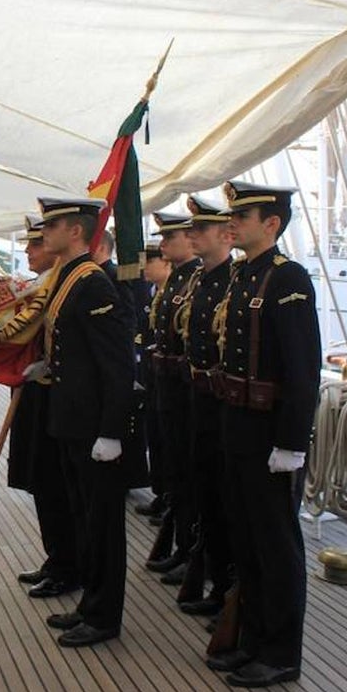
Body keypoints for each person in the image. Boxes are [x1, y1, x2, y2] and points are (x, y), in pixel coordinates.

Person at [207, 181, 320, 687]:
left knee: (276, 546)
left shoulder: (287, 278)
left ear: (272, 224)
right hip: (237, 425)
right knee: (246, 541)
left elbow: (302, 369)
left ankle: (280, 652)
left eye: (244, 216)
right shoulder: (241, 274)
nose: (233, 223)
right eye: (233, 214)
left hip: (270, 431)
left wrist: (292, 445)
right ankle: (250, 639)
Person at [36, 197, 134, 648]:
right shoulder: (69, 278)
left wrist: (111, 431)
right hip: (72, 421)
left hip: (95, 426)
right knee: (84, 518)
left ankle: (104, 616)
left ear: (75, 231)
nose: (44, 233)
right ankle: (89, 605)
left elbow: (116, 364)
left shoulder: (93, 284)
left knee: (103, 525)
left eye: (51, 225)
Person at [8, 215, 79, 599]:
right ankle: (56, 558)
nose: (29, 251)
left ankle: (68, 564)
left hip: (55, 398)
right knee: (41, 482)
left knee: (54, 484)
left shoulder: (62, 288)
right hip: (35, 396)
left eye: (36, 243)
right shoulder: (42, 287)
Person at [176, 196, 236, 616]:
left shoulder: (237, 279)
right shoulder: (199, 279)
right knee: (207, 496)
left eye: (200, 229)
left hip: (225, 405)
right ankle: (215, 585)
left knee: (226, 499)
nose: (193, 235)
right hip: (196, 399)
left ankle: (228, 590)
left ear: (225, 234)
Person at [145, 211, 201, 581]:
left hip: (189, 394)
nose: (164, 245)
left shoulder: (198, 281)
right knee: (177, 474)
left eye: (170, 237)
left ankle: (192, 551)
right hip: (167, 389)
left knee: (192, 478)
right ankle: (182, 546)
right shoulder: (178, 281)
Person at [134, 243, 171, 521]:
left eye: (149, 261)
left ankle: (170, 498)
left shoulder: (172, 292)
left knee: (168, 441)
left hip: (168, 380)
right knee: (156, 438)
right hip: (151, 375)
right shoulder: (151, 292)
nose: (144, 268)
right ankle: (161, 493)